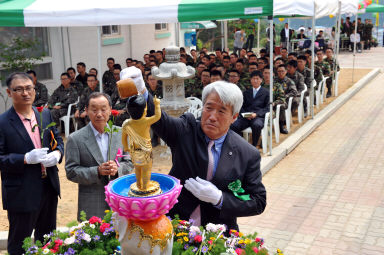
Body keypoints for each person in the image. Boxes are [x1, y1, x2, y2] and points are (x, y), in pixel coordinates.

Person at [138, 77, 266, 232]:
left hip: (218, 231)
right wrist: (141, 90)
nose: (212, 116)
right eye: (209, 108)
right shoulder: (186, 130)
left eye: (221, 111)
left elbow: (258, 201)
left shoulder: (247, 153)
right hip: (176, 224)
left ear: (234, 117)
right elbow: (160, 119)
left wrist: (220, 198)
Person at [0, 72, 64, 255]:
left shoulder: (45, 115)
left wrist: (58, 154)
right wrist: (25, 158)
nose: (25, 93)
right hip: (22, 192)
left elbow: (57, 140)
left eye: (29, 88)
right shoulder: (3, 123)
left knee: (48, 239)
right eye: (18, 89)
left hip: (48, 187)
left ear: (34, 90)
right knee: (20, 243)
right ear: (9, 92)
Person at [65, 92, 133, 220]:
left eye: (103, 109)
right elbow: (71, 171)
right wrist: (97, 171)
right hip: (92, 201)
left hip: (119, 199)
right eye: (94, 110)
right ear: (86, 110)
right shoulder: (76, 139)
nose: (99, 114)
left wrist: (117, 169)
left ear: (110, 110)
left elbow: (129, 162)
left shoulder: (121, 134)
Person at [231, 71, 269, 147]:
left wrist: (257, 114)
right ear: (250, 80)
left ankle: (254, 145)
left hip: (258, 117)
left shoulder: (266, 92)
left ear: (261, 80)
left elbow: (268, 108)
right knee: (233, 126)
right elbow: (241, 106)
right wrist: (245, 114)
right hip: (246, 117)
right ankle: (240, 144)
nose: (255, 81)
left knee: (257, 125)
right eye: (253, 79)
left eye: (257, 79)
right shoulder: (246, 92)